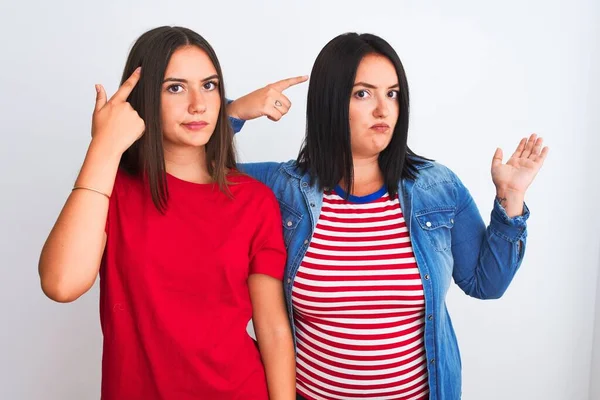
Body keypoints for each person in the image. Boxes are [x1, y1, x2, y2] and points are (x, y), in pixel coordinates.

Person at [227, 32, 549, 400]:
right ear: (329, 102)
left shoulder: (437, 188)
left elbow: (485, 284)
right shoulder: (282, 188)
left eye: (392, 93)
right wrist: (234, 112)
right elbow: (195, 170)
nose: (383, 109)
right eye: (363, 93)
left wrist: (511, 198)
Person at [38, 26, 295, 400]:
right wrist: (103, 146)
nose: (198, 104)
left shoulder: (253, 200)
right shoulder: (112, 192)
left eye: (209, 85)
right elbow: (60, 284)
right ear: (143, 98)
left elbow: (271, 328)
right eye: (175, 87)